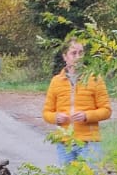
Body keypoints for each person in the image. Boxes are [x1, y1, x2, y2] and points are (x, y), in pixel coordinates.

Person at [42, 36, 111, 168]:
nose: (78, 57)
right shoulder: (56, 81)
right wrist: (56, 117)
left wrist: (87, 116)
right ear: (65, 57)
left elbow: (106, 111)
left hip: (90, 142)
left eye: (81, 53)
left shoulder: (95, 78)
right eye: (73, 53)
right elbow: (46, 113)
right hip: (64, 142)